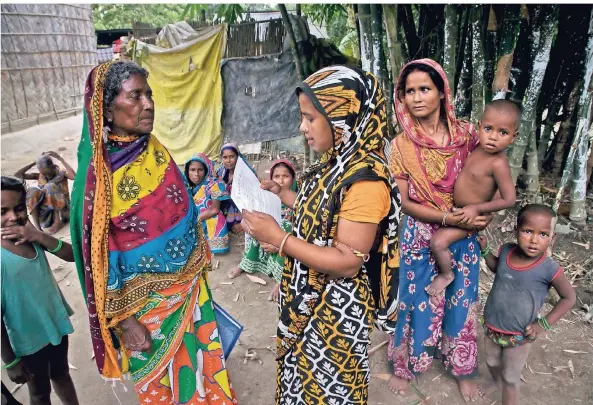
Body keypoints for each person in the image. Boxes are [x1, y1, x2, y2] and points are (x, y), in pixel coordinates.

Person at [70, 61, 237, 404]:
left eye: (149, 94)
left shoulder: (155, 150)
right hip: (145, 309)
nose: (148, 104)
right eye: (135, 96)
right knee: (161, 386)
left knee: (203, 369)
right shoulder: (97, 178)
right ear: (108, 109)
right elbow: (97, 257)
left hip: (190, 289)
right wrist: (126, 321)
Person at [240, 66, 401, 404]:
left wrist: (283, 240)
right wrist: (283, 207)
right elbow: (324, 219)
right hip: (309, 297)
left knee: (329, 390)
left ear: (341, 117)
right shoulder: (335, 163)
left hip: (334, 313)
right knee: (301, 382)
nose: (303, 128)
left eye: (310, 118)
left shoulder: (366, 181)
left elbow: (346, 262)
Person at [388, 59, 492, 401]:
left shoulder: (468, 135)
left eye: (424, 89)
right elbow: (404, 202)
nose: (416, 98)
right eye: (409, 91)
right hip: (421, 234)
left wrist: (480, 214)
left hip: (463, 235)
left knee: (462, 300)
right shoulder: (401, 145)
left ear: (441, 91)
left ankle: (461, 366)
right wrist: (448, 219)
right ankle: (406, 365)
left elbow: (488, 175)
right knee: (415, 300)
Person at [478, 204, 575, 405]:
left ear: (552, 238)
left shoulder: (549, 269)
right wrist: (485, 250)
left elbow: (569, 298)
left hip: (520, 333)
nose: (534, 240)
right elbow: (498, 267)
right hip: (493, 324)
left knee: (511, 377)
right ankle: (496, 383)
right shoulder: (506, 251)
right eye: (528, 231)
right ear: (516, 231)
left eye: (543, 234)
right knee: (492, 362)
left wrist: (543, 324)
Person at [427, 100, 519, 297]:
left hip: (468, 219)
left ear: (514, 137)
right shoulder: (477, 148)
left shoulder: (498, 163)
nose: (493, 137)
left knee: (437, 243)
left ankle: (446, 274)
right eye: (488, 129)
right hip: (458, 212)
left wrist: (477, 209)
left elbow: (510, 198)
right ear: (479, 127)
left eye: (503, 133)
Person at [1, 176, 79, 405]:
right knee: (40, 393)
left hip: (53, 324)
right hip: (27, 340)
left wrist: (39, 236)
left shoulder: (30, 236)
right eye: (2, 211)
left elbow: (73, 255)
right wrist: (10, 361)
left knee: (62, 374)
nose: (13, 217)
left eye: (18, 209)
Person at [237, 159, 297, 301]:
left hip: (286, 242)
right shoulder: (266, 198)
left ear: (293, 179)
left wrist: (276, 243)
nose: (281, 181)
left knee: (286, 228)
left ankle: (281, 278)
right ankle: (247, 263)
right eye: (276, 177)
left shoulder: (299, 200)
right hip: (267, 240)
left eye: (285, 176)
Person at [14, 151, 76, 235]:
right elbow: (18, 175)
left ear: (53, 167)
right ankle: (38, 228)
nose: (47, 175)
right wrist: (35, 162)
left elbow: (73, 176)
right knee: (32, 191)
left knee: (50, 186)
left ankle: (57, 222)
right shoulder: (40, 175)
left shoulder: (61, 173)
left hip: (63, 211)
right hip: (46, 215)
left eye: (48, 172)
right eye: (44, 173)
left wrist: (60, 159)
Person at [184, 153, 231, 254]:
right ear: (187, 171)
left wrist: (192, 220)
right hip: (192, 217)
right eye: (192, 170)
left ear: (205, 170)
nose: (196, 174)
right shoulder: (186, 185)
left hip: (208, 217)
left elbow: (214, 209)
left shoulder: (214, 184)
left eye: (200, 170)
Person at [216, 143, 252, 234]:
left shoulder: (247, 173)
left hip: (243, 207)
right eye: (225, 157)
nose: (228, 160)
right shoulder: (220, 172)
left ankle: (243, 223)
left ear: (238, 157)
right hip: (226, 207)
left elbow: (252, 200)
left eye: (232, 157)